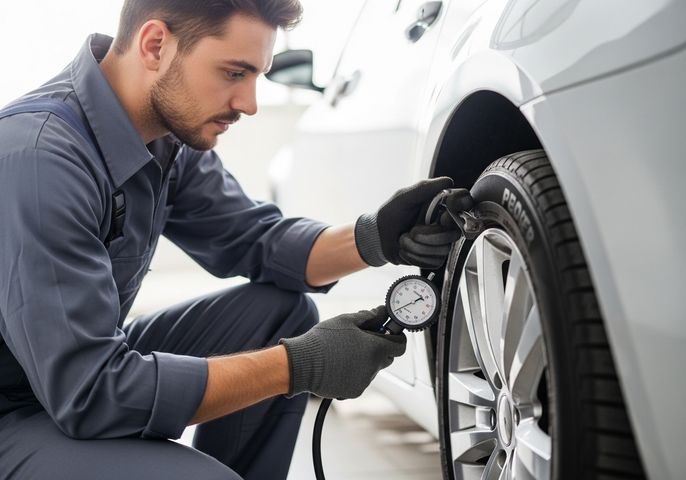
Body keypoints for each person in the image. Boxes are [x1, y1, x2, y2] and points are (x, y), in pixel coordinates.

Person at [0, 1, 472, 479]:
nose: (248, 103)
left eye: (256, 78)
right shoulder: (40, 160)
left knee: (281, 315)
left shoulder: (166, 138)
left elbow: (258, 240)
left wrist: (376, 238)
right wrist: (299, 365)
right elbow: (90, 394)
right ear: (155, 45)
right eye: (233, 73)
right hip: (21, 408)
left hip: (66, 374)